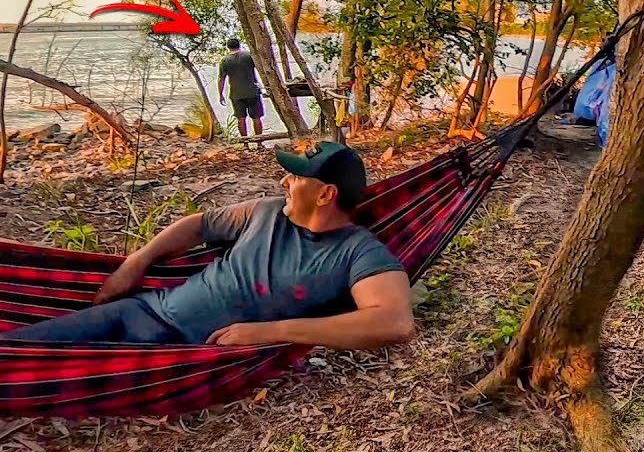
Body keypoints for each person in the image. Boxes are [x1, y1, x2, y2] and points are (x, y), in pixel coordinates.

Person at [1, 142, 414, 349]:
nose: (285, 182)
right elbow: (196, 225)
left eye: (296, 178)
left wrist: (271, 333)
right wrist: (137, 261)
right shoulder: (265, 211)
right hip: (141, 310)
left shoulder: (358, 251)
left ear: (325, 195)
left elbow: (393, 322)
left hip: (184, 355)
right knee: (20, 350)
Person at [218, 38, 265, 147]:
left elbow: (221, 79)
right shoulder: (248, 56)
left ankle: (245, 144)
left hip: (236, 94)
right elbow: (261, 68)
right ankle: (259, 143)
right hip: (252, 91)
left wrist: (221, 94)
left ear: (228, 47)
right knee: (256, 117)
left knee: (241, 118)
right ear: (239, 45)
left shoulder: (225, 60)